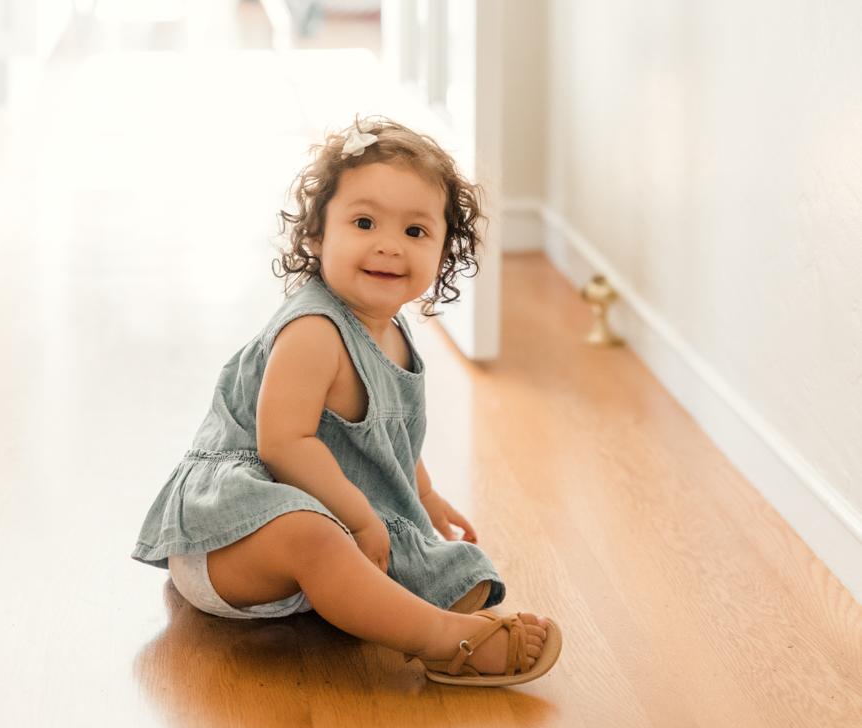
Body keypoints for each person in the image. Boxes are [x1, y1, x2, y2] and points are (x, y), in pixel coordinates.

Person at [132, 117, 562, 686]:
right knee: (317, 536)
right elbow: (283, 444)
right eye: (364, 222)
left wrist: (424, 496)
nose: (389, 245)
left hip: (330, 511)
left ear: (443, 250)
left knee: (463, 576)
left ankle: (405, 608)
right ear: (316, 236)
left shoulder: (395, 332)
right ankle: (439, 642)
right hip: (231, 535)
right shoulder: (313, 331)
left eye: (416, 231)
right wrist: (359, 517)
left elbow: (390, 434)